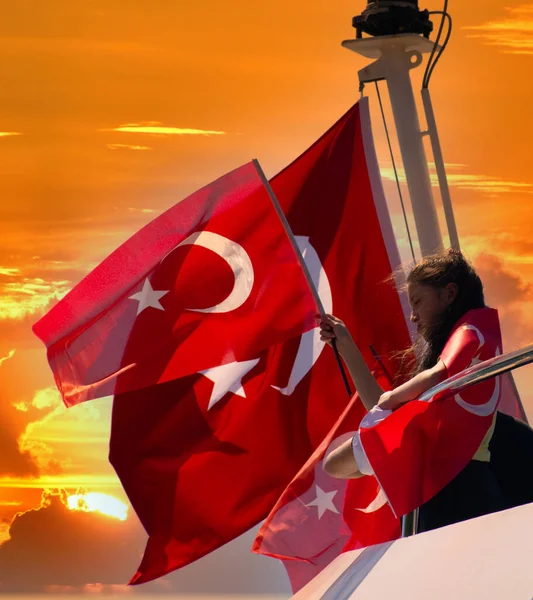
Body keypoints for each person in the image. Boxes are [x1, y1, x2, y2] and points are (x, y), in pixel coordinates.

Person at [320, 249, 510, 532]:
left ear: (449, 293)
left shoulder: (469, 339)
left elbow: (432, 378)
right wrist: (346, 345)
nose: (413, 317)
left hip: (460, 492)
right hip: (448, 493)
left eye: (417, 302)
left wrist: (389, 399)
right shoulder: (459, 356)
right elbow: (384, 411)